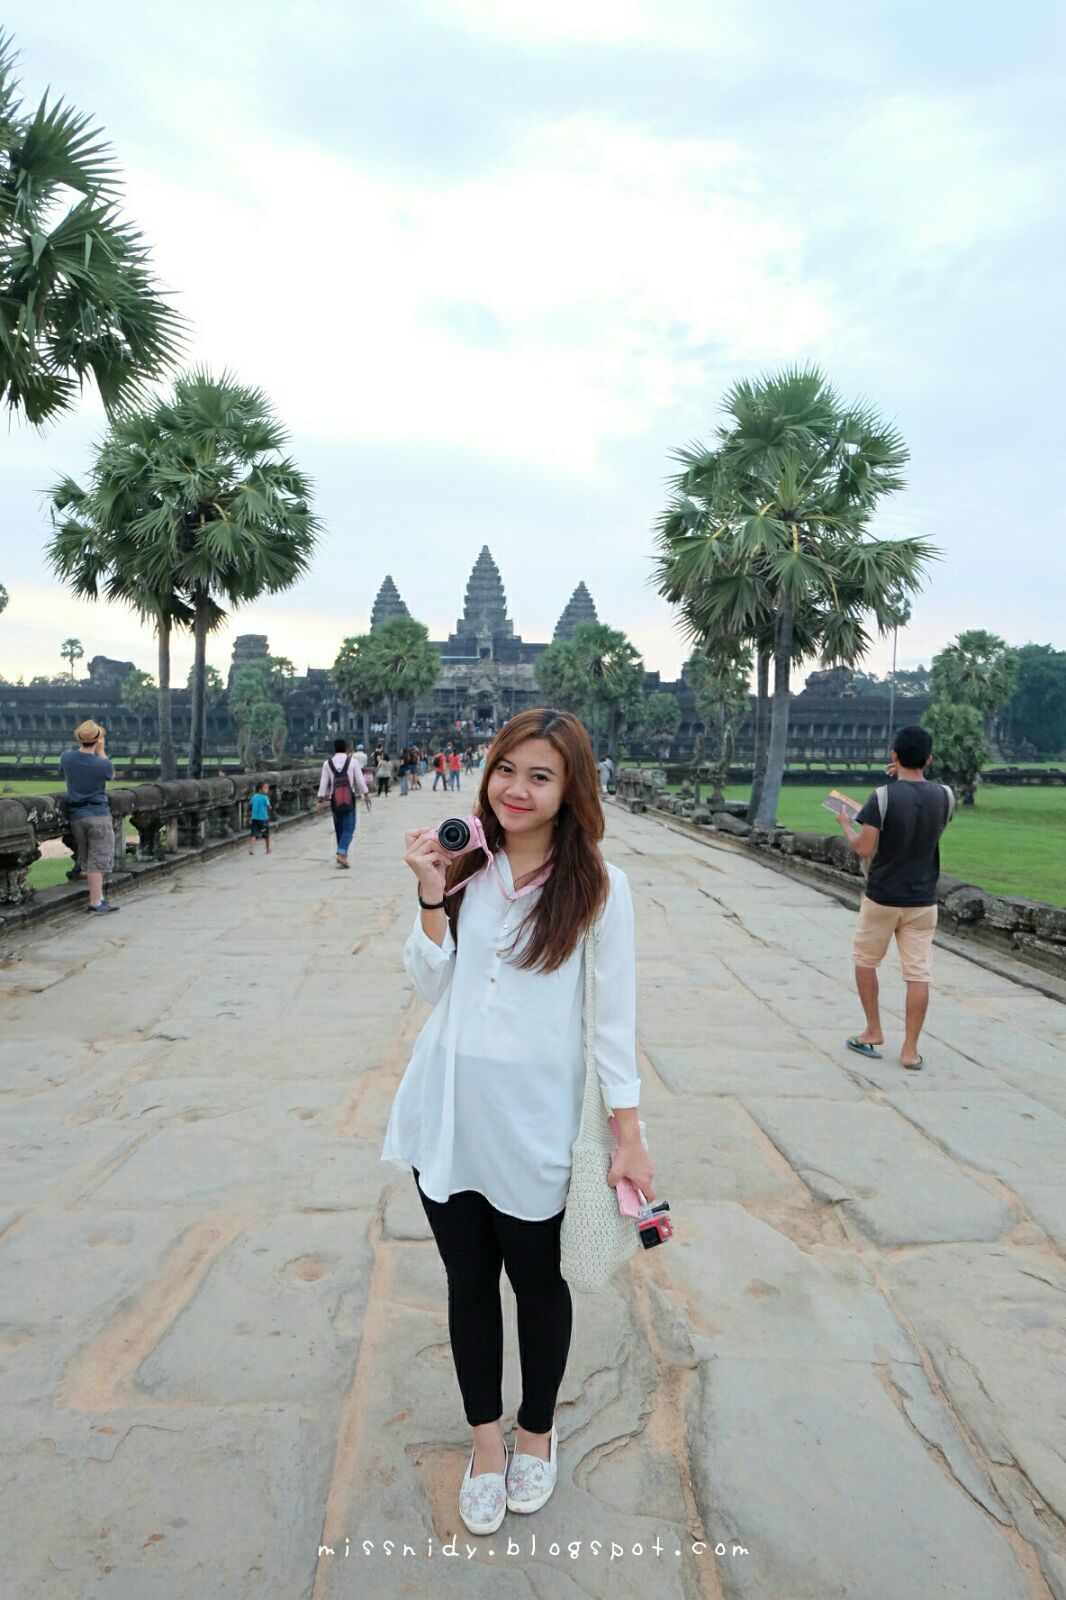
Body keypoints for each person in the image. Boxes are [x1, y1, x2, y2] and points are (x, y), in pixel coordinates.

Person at [381, 708, 654, 1536]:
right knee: (468, 1287)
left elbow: (613, 1023)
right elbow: (432, 985)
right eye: (507, 770)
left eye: (541, 775)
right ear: (487, 772)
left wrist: (628, 1134)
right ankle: (487, 1444)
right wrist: (432, 891)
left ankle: (537, 1429)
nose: (518, 789)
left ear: (572, 790)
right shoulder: (468, 868)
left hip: (535, 1124)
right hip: (449, 1115)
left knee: (539, 1286)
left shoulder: (599, 886)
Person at [837, 725, 955, 1071]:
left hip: (883, 896)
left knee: (865, 961)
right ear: (929, 759)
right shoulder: (946, 796)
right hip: (922, 899)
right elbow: (924, 820)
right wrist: (903, 776)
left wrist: (846, 823)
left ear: (894, 756)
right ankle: (910, 1050)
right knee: (918, 974)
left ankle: (873, 1030)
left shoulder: (881, 797)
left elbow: (864, 847)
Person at [60, 719, 118, 914]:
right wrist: (101, 751)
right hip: (98, 815)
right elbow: (110, 774)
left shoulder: (66, 758)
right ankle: (95, 901)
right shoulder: (103, 764)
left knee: (87, 857)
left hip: (76, 815)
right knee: (98, 859)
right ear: (97, 739)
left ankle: (99, 897)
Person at [316, 738, 370, 868]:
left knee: (339, 827)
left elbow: (324, 783)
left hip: (334, 799)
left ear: (334, 749)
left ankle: (343, 856)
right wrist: (366, 794)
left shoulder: (327, 763)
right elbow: (360, 781)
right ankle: (341, 853)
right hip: (348, 799)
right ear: (346, 749)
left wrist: (320, 800)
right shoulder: (352, 762)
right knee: (349, 828)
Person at [248, 781, 272, 856]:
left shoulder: (254, 796)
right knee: (266, 835)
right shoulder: (265, 797)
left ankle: (252, 848)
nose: (267, 789)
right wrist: (269, 808)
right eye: (265, 788)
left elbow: (250, 804)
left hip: (254, 818)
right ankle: (268, 849)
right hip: (263, 819)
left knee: (254, 834)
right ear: (260, 789)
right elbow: (269, 807)